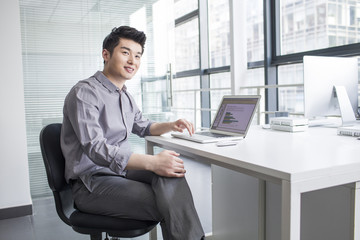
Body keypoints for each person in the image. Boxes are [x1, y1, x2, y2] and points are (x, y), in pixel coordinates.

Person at [60, 26, 205, 240]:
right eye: (125, 52)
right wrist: (152, 162)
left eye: (137, 55)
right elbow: (95, 147)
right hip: (91, 182)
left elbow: (143, 125)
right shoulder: (85, 93)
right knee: (170, 204)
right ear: (106, 54)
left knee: (172, 173)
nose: (133, 61)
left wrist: (171, 125)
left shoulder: (125, 95)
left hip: (120, 172)